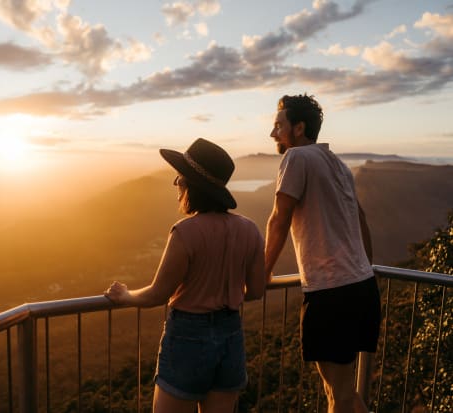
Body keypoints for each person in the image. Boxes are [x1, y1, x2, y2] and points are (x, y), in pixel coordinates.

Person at [105, 138, 266, 413]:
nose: (176, 184)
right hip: (231, 335)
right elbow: (256, 291)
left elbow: (158, 293)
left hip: (188, 339)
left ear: (191, 185)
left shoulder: (185, 232)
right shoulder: (249, 229)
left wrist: (125, 295)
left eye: (179, 178)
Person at [264, 94, 381, 413]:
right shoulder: (338, 164)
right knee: (343, 393)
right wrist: (364, 271)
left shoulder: (296, 157)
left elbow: (279, 217)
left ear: (298, 128)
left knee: (338, 397)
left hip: (332, 292)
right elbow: (361, 218)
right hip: (361, 288)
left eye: (278, 126)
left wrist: (261, 273)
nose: (273, 134)